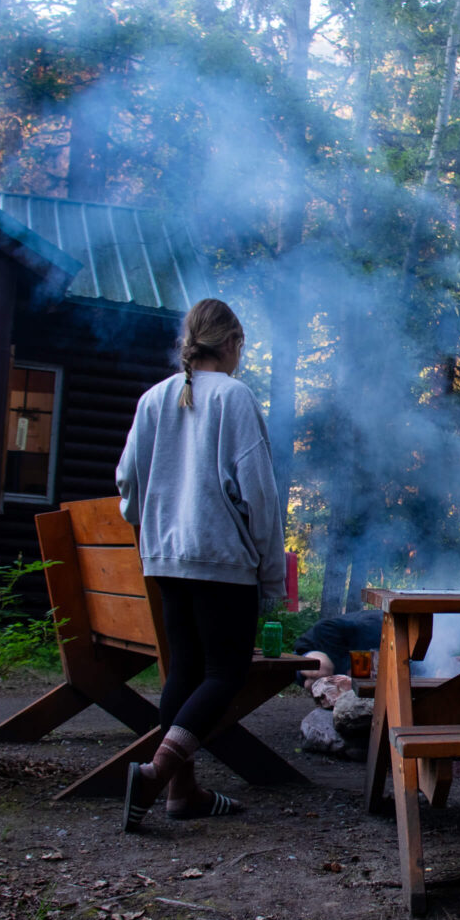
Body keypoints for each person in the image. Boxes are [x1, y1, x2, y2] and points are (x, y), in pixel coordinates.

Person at [116, 298, 285, 831]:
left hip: (166, 559)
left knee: (186, 670)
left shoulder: (153, 399)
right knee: (225, 673)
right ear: (232, 343)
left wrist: (150, 521)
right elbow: (259, 495)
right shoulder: (234, 398)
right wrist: (271, 574)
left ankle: (181, 794)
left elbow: (127, 484)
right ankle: (155, 774)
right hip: (220, 562)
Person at [293, 610, 383, 690]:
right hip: (311, 651)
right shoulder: (374, 623)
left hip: (340, 661)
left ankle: (320, 691)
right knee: (324, 669)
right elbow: (323, 627)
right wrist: (344, 669)